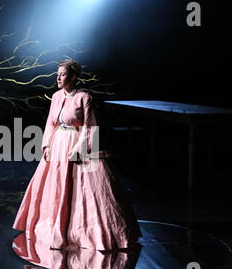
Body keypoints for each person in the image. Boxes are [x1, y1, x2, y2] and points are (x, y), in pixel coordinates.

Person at [13, 59, 141, 251]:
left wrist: (79, 149)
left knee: (83, 190)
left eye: (62, 74)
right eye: (57, 74)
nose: (57, 77)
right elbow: (51, 122)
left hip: (75, 144)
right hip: (58, 145)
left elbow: (91, 127)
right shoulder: (56, 97)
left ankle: (84, 231)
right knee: (54, 188)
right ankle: (54, 226)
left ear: (73, 76)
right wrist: (46, 143)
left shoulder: (84, 98)